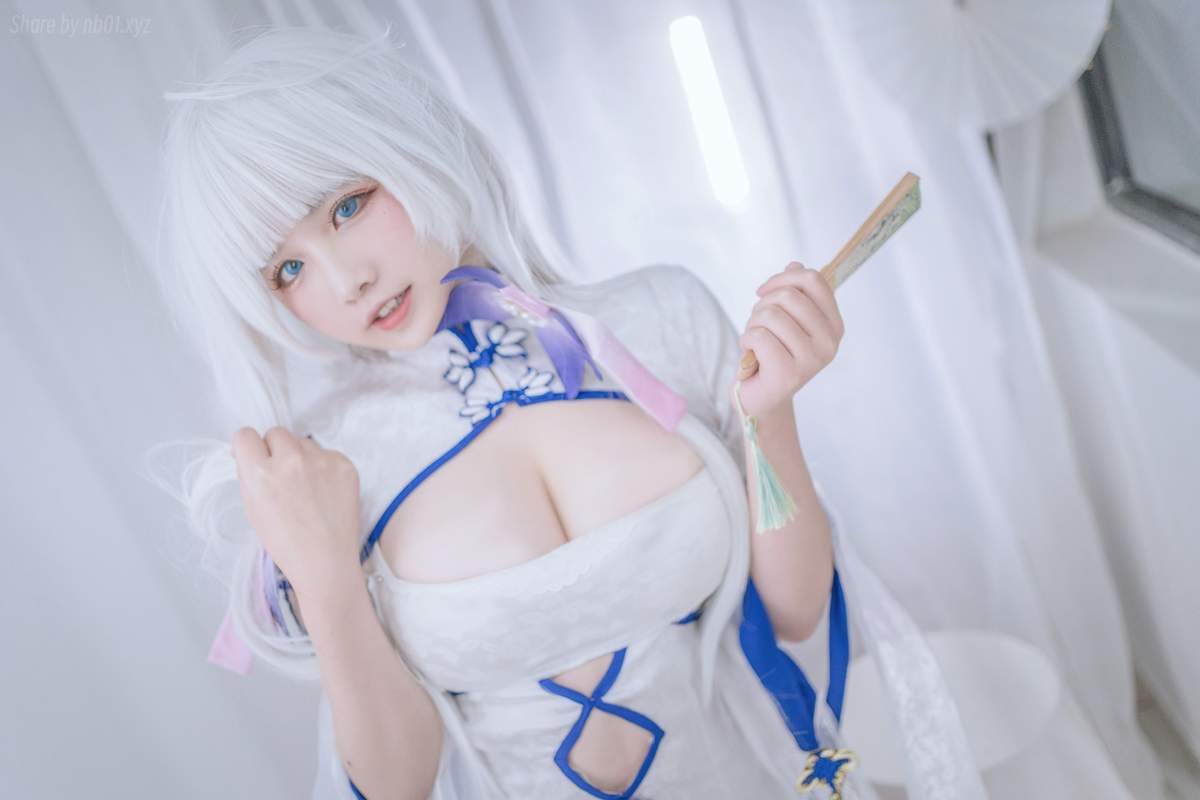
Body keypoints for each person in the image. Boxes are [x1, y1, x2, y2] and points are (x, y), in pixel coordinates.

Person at [148, 24, 984, 800]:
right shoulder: (327, 468)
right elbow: (398, 784)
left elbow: (796, 614)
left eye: (347, 206)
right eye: (288, 270)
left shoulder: (658, 320)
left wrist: (771, 415)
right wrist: (323, 571)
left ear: (409, 147)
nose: (345, 280)